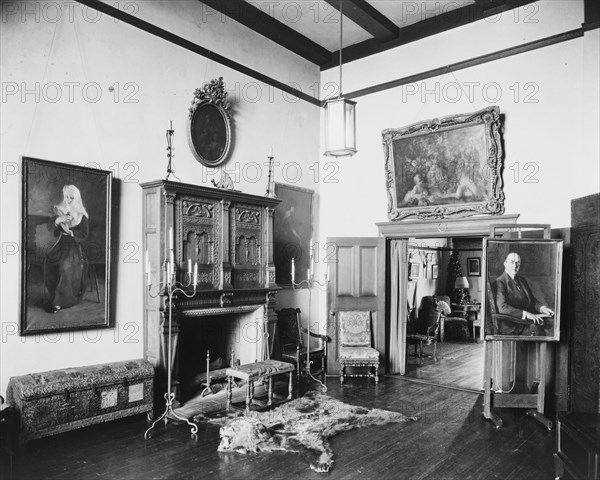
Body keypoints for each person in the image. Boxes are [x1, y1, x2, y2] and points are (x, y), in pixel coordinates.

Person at [44, 185, 89, 313]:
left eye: (71, 198)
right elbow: (51, 228)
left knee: (65, 266)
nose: (68, 200)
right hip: (60, 243)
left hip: (74, 247)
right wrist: (58, 220)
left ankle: (60, 301)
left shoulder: (81, 215)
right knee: (50, 260)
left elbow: (84, 234)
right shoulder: (59, 209)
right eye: (66, 197)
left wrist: (72, 233)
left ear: (77, 198)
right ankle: (52, 296)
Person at [494, 252, 554, 336]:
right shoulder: (500, 282)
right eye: (512, 262)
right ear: (505, 264)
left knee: (551, 325)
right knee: (541, 333)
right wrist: (525, 314)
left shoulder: (521, 280)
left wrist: (542, 308)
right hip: (512, 325)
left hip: (526, 322)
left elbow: (531, 300)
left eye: (517, 263)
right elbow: (502, 307)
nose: (515, 266)